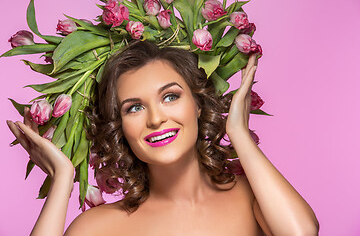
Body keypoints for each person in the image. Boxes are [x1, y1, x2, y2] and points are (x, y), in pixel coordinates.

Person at [7, 40, 319, 235]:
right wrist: (63, 179)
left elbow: (301, 232)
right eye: (134, 108)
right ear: (120, 128)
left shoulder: (250, 196)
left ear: (197, 105)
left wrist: (238, 132)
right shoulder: (100, 227)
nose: (155, 119)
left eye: (169, 97)